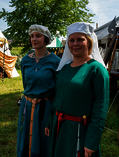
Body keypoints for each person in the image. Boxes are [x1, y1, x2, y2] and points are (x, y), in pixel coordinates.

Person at [45, 22, 109, 157]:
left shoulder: (96, 69)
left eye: (80, 39)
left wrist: (92, 141)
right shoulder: (65, 68)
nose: (75, 43)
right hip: (59, 126)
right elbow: (57, 98)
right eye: (72, 40)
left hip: (79, 131)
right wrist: (51, 122)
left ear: (89, 43)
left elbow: (100, 108)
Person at [17, 25, 60, 157]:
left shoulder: (56, 61)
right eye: (32, 36)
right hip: (27, 105)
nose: (34, 39)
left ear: (46, 38)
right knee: (25, 138)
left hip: (45, 107)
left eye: (38, 36)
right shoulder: (25, 60)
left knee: (43, 140)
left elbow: (58, 89)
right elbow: (26, 85)